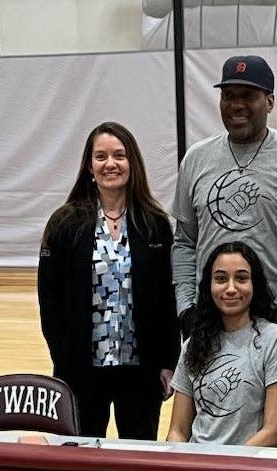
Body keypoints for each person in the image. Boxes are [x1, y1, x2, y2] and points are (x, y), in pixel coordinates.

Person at [171, 54, 277, 374]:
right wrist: (185, 310)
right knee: (215, 420)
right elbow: (184, 242)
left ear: (270, 101)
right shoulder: (196, 160)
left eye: (248, 95)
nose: (236, 105)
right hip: (212, 320)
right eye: (228, 96)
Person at [38, 121, 180, 440]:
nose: (110, 164)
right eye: (100, 157)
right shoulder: (64, 223)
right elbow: (50, 303)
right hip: (82, 372)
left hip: (140, 372)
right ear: (89, 166)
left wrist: (169, 362)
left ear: (133, 163)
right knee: (81, 458)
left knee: (139, 459)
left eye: (119, 155)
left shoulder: (154, 224)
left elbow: (168, 301)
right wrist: (63, 361)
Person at [167, 242, 277, 446]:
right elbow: (177, 431)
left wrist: (227, 468)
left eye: (241, 278)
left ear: (254, 284)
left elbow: (276, 432)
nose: (231, 288)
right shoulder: (193, 344)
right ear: (208, 286)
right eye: (221, 279)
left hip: (245, 470)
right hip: (197, 469)